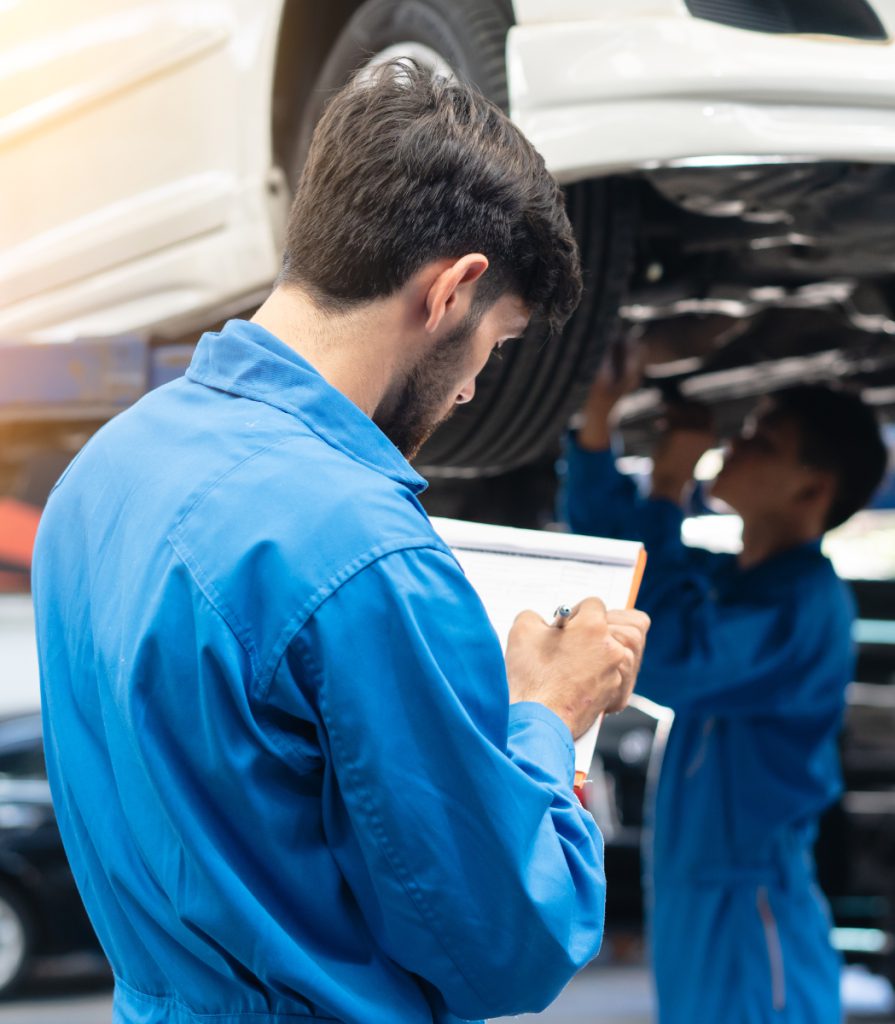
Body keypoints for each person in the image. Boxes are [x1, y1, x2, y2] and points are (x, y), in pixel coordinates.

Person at [31, 62, 650, 1024]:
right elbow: (504, 945)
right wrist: (545, 712)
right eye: (496, 345)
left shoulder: (106, 472)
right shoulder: (364, 553)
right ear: (452, 289)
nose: (471, 391)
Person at [561, 359, 888, 1023]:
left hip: (748, 908)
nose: (732, 445)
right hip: (701, 898)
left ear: (810, 490)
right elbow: (625, 573)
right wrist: (598, 427)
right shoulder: (737, 585)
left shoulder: (802, 606)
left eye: (760, 442)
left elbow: (662, 647)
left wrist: (670, 486)